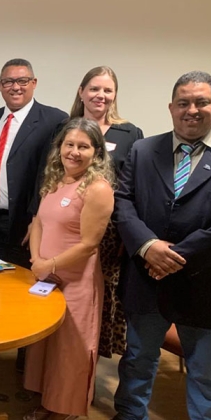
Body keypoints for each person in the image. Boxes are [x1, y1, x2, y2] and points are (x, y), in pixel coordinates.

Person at [113, 71, 211, 420]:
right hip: (146, 284)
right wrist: (147, 246)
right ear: (171, 107)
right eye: (183, 103)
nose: (192, 110)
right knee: (136, 361)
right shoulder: (142, 150)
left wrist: (170, 256)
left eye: (201, 102)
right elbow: (123, 203)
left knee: (207, 374)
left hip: (206, 287)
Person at [23, 118, 115, 420]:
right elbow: (38, 222)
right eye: (69, 144)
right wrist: (37, 260)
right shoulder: (56, 179)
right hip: (46, 277)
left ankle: (64, 410)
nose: (74, 152)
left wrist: (47, 264)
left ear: (96, 152)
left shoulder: (98, 188)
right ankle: (48, 402)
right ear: (59, 147)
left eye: (83, 147)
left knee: (70, 350)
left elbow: (89, 244)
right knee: (47, 347)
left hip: (76, 282)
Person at [69, 66, 144, 358]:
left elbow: (134, 186)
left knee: (100, 291)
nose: (101, 95)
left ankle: (88, 359)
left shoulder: (130, 133)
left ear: (115, 95)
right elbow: (49, 174)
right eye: (94, 88)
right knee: (68, 286)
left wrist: (130, 232)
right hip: (67, 223)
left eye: (107, 90)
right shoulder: (65, 127)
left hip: (109, 232)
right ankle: (63, 356)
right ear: (81, 92)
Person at [0, 58, 67, 268]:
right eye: (8, 81)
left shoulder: (54, 120)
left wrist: (37, 218)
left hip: (24, 221)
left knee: (21, 280)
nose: (15, 87)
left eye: (22, 81)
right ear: (0, 86)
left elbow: (54, 174)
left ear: (34, 83)